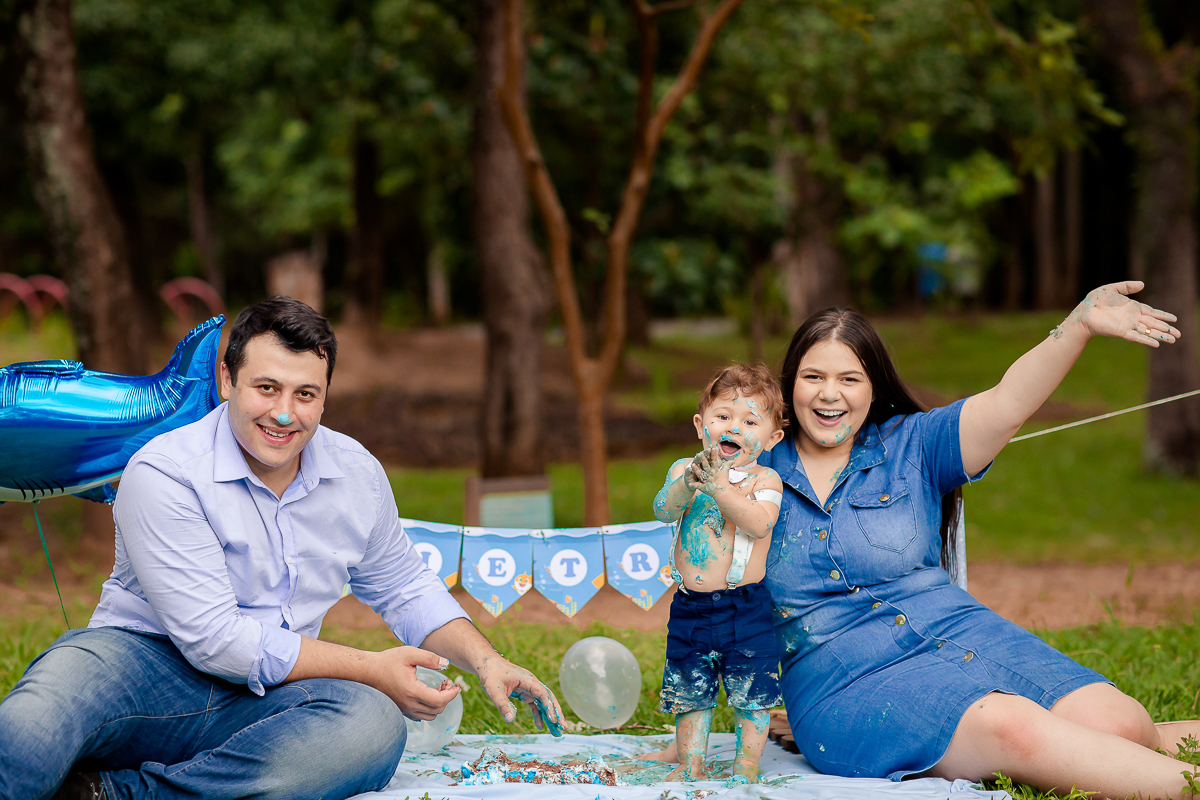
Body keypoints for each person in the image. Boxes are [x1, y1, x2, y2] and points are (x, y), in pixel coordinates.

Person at [0, 297, 563, 800]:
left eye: (306, 394)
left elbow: (404, 587)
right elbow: (216, 639)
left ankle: (113, 794)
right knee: (27, 733)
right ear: (227, 381)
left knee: (370, 726)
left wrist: (489, 660)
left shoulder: (357, 472)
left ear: (324, 398)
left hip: (268, 693)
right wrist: (371, 667)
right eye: (266, 388)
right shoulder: (164, 470)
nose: (285, 413)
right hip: (138, 666)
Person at [759, 281, 1200, 798]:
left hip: (958, 629)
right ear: (791, 386)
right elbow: (699, 575)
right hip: (844, 682)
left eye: (848, 378)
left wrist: (1079, 325)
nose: (829, 393)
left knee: (1120, 724)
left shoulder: (915, 443)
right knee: (1011, 726)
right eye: (813, 377)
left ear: (872, 388)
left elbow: (1009, 401)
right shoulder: (751, 473)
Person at [642, 364, 787, 783]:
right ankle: (690, 761)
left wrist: (720, 487)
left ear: (772, 438)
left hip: (745, 607)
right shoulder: (683, 471)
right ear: (701, 424)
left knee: (753, 690)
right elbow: (663, 510)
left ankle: (746, 762)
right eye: (723, 416)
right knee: (690, 688)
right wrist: (690, 483)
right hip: (691, 607)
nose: (734, 427)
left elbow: (759, 524)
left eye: (749, 421)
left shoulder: (765, 479)